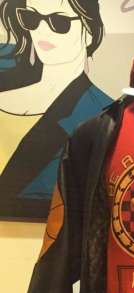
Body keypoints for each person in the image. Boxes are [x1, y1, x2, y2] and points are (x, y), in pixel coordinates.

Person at [0, 0, 111, 219]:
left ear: (89, 33)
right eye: (31, 18)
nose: (41, 30)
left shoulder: (100, 113)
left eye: (59, 22)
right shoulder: (8, 68)